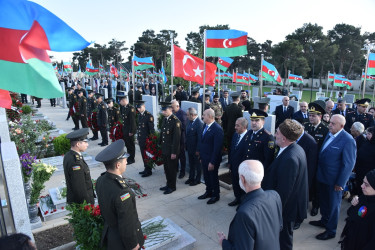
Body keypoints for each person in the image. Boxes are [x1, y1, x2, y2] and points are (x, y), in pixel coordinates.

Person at [262, 119, 308, 250]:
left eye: (277, 132)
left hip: (285, 211)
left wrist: (273, 212)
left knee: (284, 241)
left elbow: (284, 191)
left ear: (284, 137)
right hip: (288, 206)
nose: (274, 134)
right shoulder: (294, 148)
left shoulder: (290, 159)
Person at [218, 160, 283, 250]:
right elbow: (279, 226)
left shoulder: (244, 214)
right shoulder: (274, 195)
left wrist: (223, 243)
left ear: (242, 179)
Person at [310, 114, 356, 240]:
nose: (329, 125)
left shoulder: (348, 140)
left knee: (333, 205)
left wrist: (341, 183)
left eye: (333, 123)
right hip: (323, 177)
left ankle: (331, 231)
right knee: (324, 202)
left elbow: (348, 164)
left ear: (341, 126)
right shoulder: (330, 134)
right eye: (330, 122)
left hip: (334, 181)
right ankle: (324, 221)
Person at [95, 139, 144, 250]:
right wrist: (133, 245)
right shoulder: (123, 193)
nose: (126, 162)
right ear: (118, 165)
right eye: (124, 160)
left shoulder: (100, 180)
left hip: (111, 236)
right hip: (123, 243)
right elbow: (126, 223)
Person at [340, 169, 375, 249]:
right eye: (363, 182)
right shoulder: (365, 197)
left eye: (366, 185)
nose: (362, 186)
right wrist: (354, 204)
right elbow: (350, 214)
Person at [294, 121, 318, 230]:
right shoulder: (295, 137)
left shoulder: (310, 141)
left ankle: (299, 219)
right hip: (295, 173)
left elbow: (311, 164)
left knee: (301, 199)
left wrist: (307, 180)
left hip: (304, 175)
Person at [198, 109, 224, 204]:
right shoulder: (205, 125)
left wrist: (212, 162)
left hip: (212, 160)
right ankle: (208, 191)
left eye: (204, 115)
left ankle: (216, 195)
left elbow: (217, 148)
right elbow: (203, 142)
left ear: (210, 116)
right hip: (204, 158)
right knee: (206, 177)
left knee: (213, 177)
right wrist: (201, 157)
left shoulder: (217, 129)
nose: (202, 116)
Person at [63, 128, 95, 205]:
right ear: (78, 144)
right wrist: (87, 205)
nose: (87, 144)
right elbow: (79, 187)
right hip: (82, 202)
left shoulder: (69, 155)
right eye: (85, 142)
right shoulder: (75, 162)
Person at [159, 102, 181, 194]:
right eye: (163, 110)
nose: (163, 112)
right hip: (165, 149)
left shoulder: (176, 121)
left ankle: (172, 187)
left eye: (165, 110)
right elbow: (162, 134)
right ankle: (168, 184)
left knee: (172, 169)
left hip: (171, 151)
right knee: (166, 169)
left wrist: (174, 153)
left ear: (171, 109)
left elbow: (176, 139)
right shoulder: (165, 119)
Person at [228, 117, 249, 206]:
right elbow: (231, 149)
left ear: (244, 127)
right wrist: (230, 162)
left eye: (238, 125)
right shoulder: (235, 134)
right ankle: (237, 198)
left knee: (243, 186)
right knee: (235, 184)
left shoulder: (249, 138)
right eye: (235, 125)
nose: (235, 127)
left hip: (243, 168)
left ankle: (242, 202)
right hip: (234, 166)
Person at [353, 127, 375, 196]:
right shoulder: (366, 142)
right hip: (360, 170)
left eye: (369, 134)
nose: (367, 135)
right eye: (367, 133)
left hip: (369, 171)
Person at [136, 100, 155, 177]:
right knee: (143, 154)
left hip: (146, 139)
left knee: (147, 155)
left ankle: (149, 170)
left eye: (140, 107)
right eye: (137, 108)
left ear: (144, 106)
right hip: (141, 139)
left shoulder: (148, 116)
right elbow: (139, 127)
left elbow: (151, 130)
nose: (138, 109)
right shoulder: (140, 115)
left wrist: (151, 140)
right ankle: (145, 168)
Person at [222, 92, 243, 163]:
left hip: (228, 130)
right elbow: (241, 121)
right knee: (236, 147)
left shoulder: (227, 108)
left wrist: (226, 129)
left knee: (229, 147)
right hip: (236, 131)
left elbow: (224, 120)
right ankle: (234, 161)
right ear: (238, 99)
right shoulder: (239, 109)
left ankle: (229, 161)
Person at [185, 107, 203, 186]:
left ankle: (198, 179)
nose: (187, 116)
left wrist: (198, 150)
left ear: (192, 115)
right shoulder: (189, 121)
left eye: (188, 115)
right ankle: (191, 178)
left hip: (196, 149)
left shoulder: (199, 124)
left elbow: (200, 139)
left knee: (197, 165)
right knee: (191, 164)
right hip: (189, 148)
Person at [171, 100, 187, 179]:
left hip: (181, 138)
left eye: (173, 107)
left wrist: (175, 128)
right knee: (175, 154)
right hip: (174, 138)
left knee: (181, 156)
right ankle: (176, 168)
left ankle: (182, 171)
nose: (172, 109)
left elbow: (184, 126)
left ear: (177, 106)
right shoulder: (174, 113)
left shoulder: (182, 114)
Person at [119, 96, 136, 164]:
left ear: (124, 101)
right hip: (125, 129)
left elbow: (132, 121)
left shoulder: (130, 108)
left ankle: (132, 158)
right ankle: (129, 156)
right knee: (127, 144)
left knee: (131, 144)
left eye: (120, 101)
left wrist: (131, 131)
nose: (120, 103)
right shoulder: (124, 108)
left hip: (129, 130)